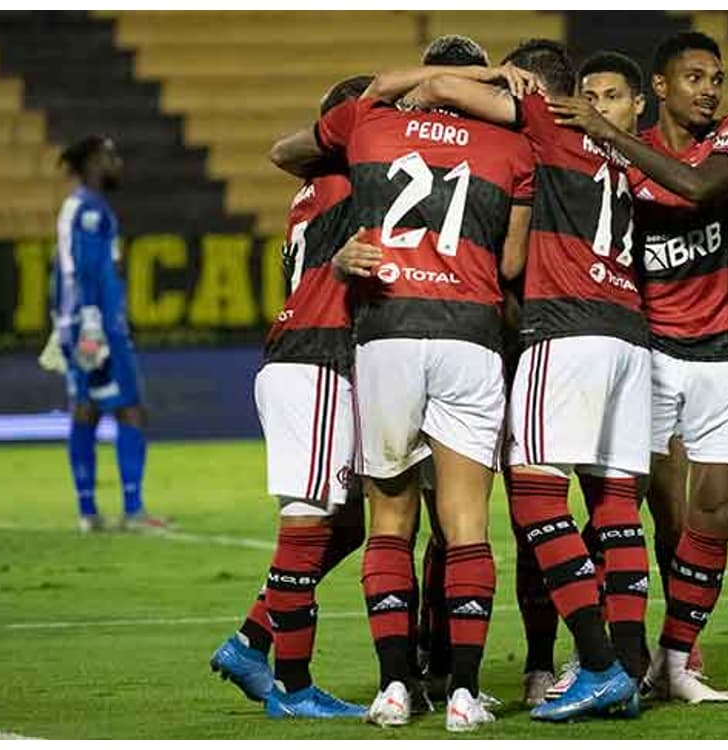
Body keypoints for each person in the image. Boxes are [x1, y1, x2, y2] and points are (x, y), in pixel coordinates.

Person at [364, 38, 650, 722]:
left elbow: (431, 93)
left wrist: (492, 78)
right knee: (613, 504)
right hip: (629, 334)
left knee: (531, 501)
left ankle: (601, 665)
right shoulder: (623, 153)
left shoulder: (540, 129)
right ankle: (630, 665)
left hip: (562, 328)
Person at [546, 31, 728, 703]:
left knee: (712, 513)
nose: (709, 89)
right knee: (636, 513)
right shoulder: (618, 163)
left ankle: (677, 659)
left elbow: (709, 191)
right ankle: (611, 656)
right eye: (694, 78)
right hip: (654, 353)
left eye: (717, 78)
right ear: (663, 89)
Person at [269, 34, 537, 732]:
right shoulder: (512, 149)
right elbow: (511, 263)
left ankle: (394, 688)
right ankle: (462, 694)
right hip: (470, 335)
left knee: (389, 519)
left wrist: (412, 85)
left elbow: (313, 135)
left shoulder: (369, 120)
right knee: (466, 522)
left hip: (386, 331)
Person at [206, 76, 373, 720]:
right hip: (317, 360)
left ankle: (252, 640)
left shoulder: (313, 190)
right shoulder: (349, 185)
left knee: (350, 522)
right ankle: (295, 688)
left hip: (305, 359)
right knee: (307, 520)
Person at [51, 135, 166, 533]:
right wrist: (94, 324)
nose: (116, 163)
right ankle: (133, 510)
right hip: (95, 325)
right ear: (92, 163)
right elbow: (85, 271)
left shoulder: (78, 207)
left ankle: (88, 512)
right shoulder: (89, 209)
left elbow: (61, 274)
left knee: (87, 408)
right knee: (129, 409)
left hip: (79, 321)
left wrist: (63, 321)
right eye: (109, 157)